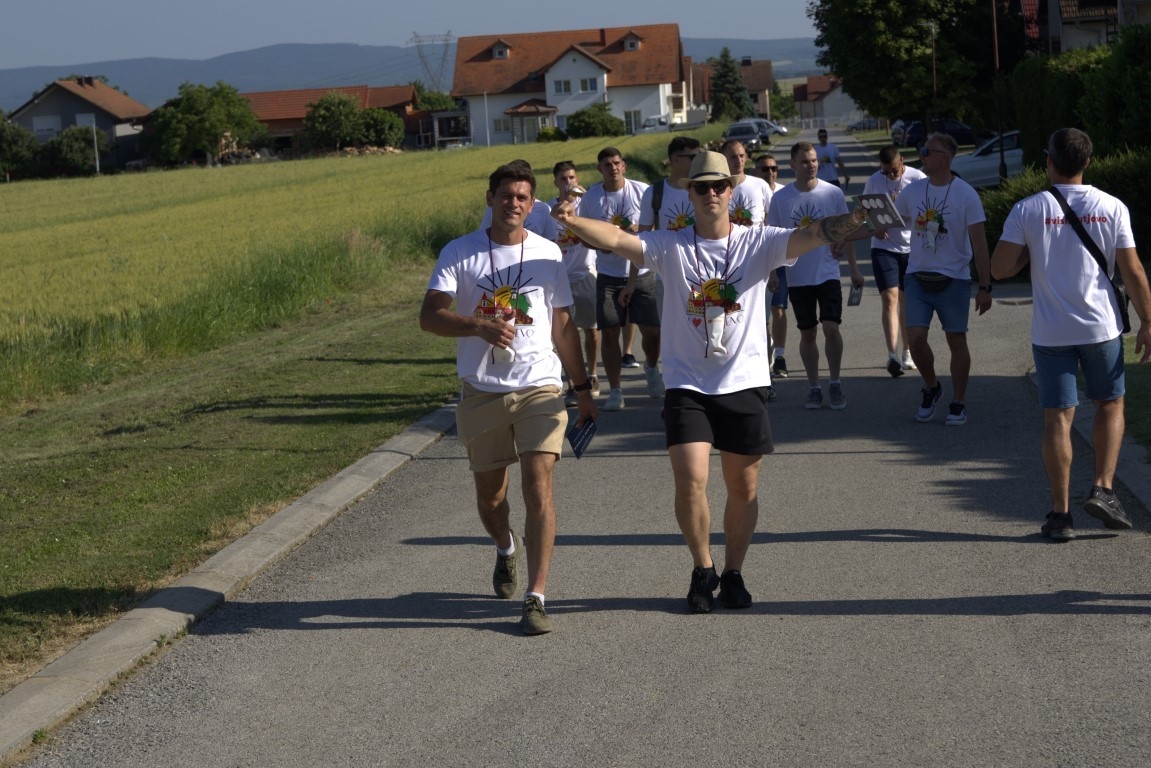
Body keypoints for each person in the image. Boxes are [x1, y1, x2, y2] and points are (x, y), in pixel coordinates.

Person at [552, 151, 869, 613]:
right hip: (688, 385)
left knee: (743, 487)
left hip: (743, 381)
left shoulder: (759, 242)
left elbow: (814, 234)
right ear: (690, 193)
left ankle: (733, 572)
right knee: (691, 479)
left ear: (731, 189)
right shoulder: (672, 245)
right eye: (701, 187)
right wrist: (575, 221)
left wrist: (857, 218)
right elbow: (619, 239)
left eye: (719, 185)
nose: (711, 194)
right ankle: (702, 570)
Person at [419, 161, 599, 635]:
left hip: (540, 386)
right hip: (482, 391)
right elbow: (430, 317)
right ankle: (505, 547)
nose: (514, 203)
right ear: (490, 198)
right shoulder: (460, 253)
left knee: (538, 485)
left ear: (531, 203)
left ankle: (535, 596)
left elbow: (561, 325)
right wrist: (477, 325)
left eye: (522, 197)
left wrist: (582, 388)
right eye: (506, 195)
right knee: (490, 498)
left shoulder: (548, 254)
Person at [990, 127, 1151, 540]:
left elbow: (999, 269)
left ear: (1048, 161)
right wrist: (1149, 322)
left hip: (1051, 331)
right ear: (1088, 162)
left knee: (1057, 418)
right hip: (1101, 327)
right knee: (1110, 404)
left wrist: (1030, 251)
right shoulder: (1112, 206)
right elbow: (1132, 271)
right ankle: (1103, 488)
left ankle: (1060, 515)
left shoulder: (1028, 209)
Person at [892, 132, 992, 426]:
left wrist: (985, 286)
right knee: (917, 339)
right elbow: (886, 222)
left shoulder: (965, 195)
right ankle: (932, 386)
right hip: (917, 279)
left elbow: (980, 243)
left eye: (926, 151)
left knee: (956, 340)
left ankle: (958, 402)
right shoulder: (913, 191)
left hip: (953, 281)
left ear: (944, 158)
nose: (921, 155)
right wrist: (845, 231)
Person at [766, 141, 864, 410]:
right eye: (805, 161)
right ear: (793, 165)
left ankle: (834, 383)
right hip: (798, 277)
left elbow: (847, 230)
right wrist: (773, 272)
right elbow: (772, 239)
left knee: (831, 328)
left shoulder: (832, 193)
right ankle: (814, 387)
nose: (811, 165)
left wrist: (853, 268)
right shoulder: (781, 199)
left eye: (814, 160)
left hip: (828, 272)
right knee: (808, 333)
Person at [580, 147, 660, 410]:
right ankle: (616, 391)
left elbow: (657, 228)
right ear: (599, 169)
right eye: (606, 164)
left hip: (642, 271)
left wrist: (641, 231)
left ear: (624, 166)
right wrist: (596, 245)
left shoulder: (642, 190)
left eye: (616, 163)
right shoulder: (591, 197)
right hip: (609, 273)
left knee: (652, 331)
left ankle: (650, 367)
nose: (612, 167)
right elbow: (583, 233)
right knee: (610, 331)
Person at [862, 145, 926, 376]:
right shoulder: (874, 181)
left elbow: (928, 208)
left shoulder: (917, 178)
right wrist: (874, 227)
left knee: (906, 301)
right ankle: (892, 355)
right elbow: (865, 212)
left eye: (894, 170)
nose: (890, 175)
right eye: (885, 171)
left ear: (902, 161)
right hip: (883, 247)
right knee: (890, 298)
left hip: (911, 248)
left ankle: (908, 351)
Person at [549, 160, 600, 406]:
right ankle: (572, 383)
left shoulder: (586, 204)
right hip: (560, 278)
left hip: (586, 273)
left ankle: (592, 375)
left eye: (571, 178)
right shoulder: (549, 210)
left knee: (591, 328)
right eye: (563, 179)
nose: (568, 183)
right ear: (555, 182)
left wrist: (582, 198)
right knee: (563, 332)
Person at [754, 153, 790, 385]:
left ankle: (779, 356)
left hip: (781, 258)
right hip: (757, 259)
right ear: (756, 171)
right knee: (760, 316)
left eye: (774, 168)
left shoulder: (784, 193)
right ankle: (762, 360)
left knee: (778, 308)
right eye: (765, 169)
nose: (770, 172)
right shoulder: (750, 190)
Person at [721, 139, 772, 227]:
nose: (738, 160)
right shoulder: (716, 189)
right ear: (723, 158)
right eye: (733, 157)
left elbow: (773, 217)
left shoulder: (761, 185)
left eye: (741, 156)